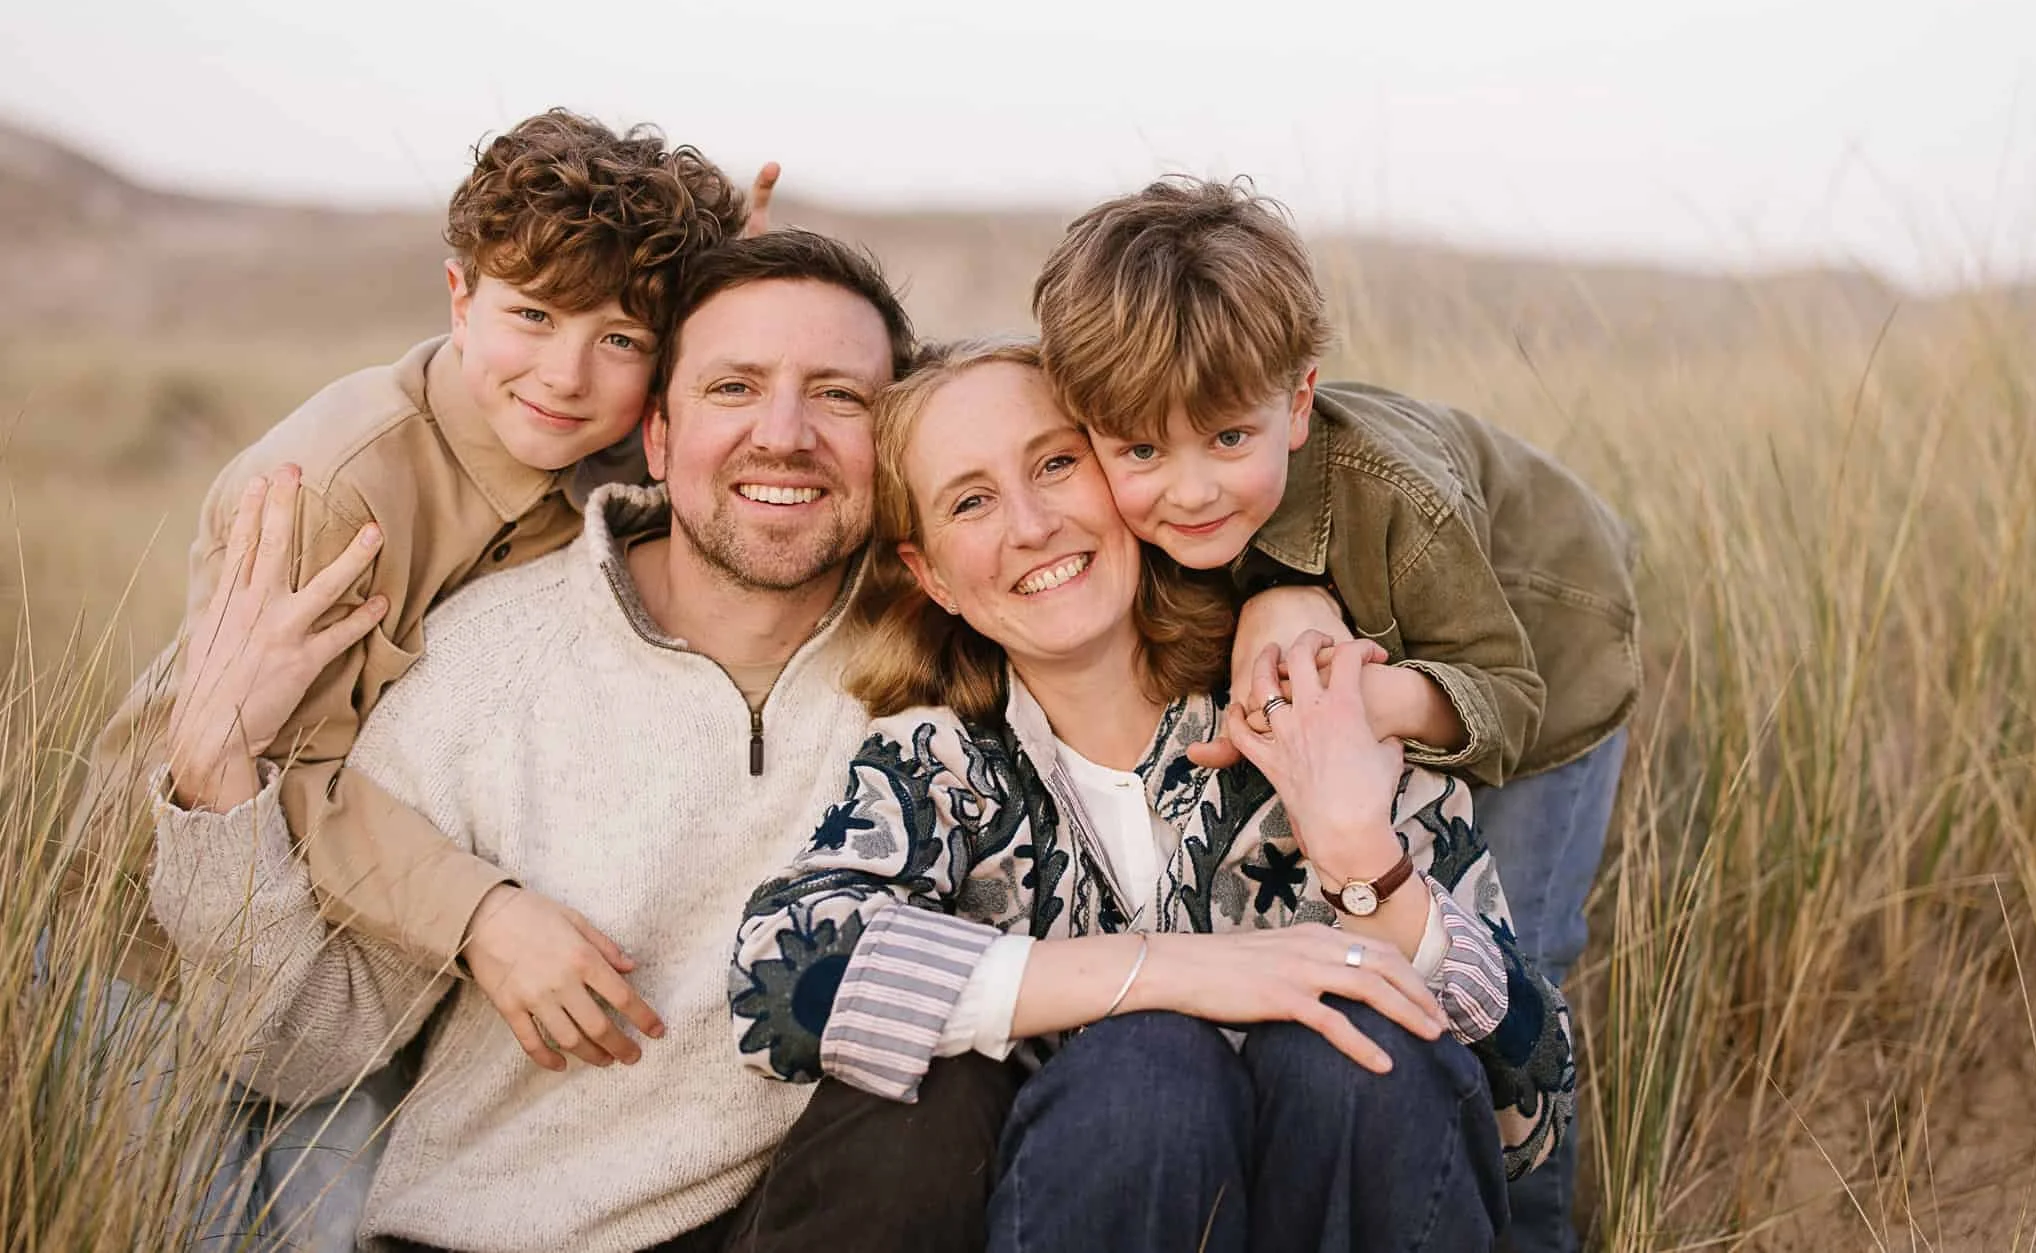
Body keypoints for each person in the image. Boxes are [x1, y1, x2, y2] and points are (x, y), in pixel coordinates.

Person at [148, 232, 1015, 1252]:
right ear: (655, 436)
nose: (782, 436)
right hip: (505, 1232)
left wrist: (1262, 611)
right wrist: (212, 779)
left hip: (802, 1219)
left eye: (839, 397)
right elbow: (297, 1053)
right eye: (733, 388)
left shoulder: (962, 651)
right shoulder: (481, 663)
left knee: (949, 1077)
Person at [64, 109, 773, 1246]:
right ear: (458, 297)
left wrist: (749, 306)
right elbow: (262, 772)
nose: (564, 373)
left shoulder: (595, 455)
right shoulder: (335, 490)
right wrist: (482, 915)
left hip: (364, 972)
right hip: (153, 958)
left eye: (622, 338)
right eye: (529, 316)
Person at [731, 340, 1577, 1252]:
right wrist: (1166, 971)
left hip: (1353, 1192)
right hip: (1101, 1194)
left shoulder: (1314, 700)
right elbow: (781, 984)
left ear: (1122, 473)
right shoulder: (942, 766)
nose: (1030, 524)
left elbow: (1534, 1095)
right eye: (970, 501)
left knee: (1350, 1049)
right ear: (933, 574)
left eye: (1056, 463)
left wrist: (1362, 862)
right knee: (1147, 1067)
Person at [1031, 177, 1640, 1251]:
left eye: (1226, 439)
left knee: (1514, 948)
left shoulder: (1392, 497)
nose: (1187, 493)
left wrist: (1348, 702)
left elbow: (1503, 692)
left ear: (1298, 401)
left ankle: (1537, 1232)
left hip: (1543, 642)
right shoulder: (1196, 501)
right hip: (1385, 647)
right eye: (1138, 452)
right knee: (1372, 933)